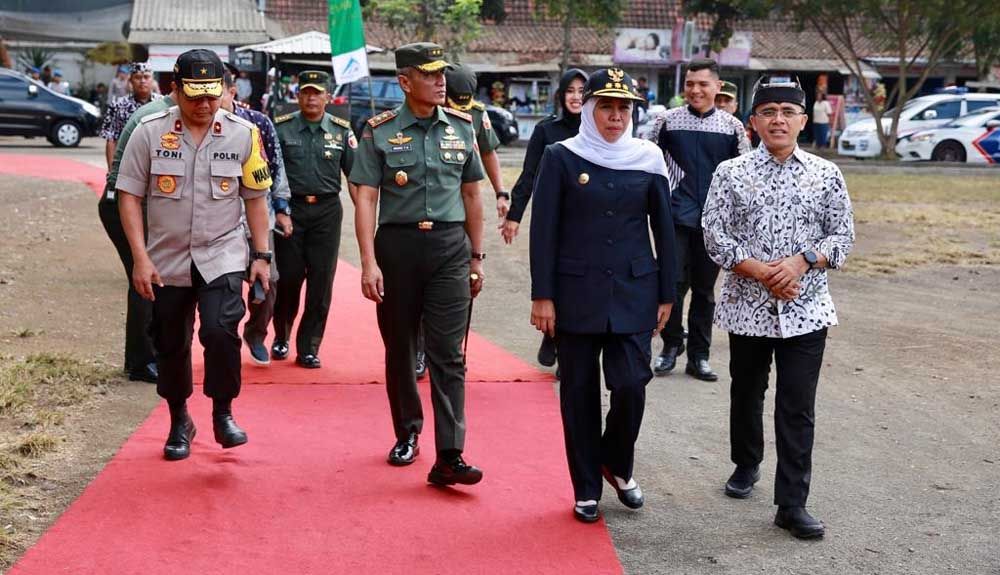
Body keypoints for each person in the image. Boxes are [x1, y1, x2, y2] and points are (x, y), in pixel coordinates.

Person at [702, 76, 855, 539]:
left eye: (788, 112)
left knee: (797, 406)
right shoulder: (732, 172)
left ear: (804, 121)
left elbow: (842, 236)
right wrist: (759, 271)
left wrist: (802, 262)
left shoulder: (826, 174)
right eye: (768, 111)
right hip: (748, 305)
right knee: (747, 391)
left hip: (806, 309)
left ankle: (792, 503)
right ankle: (746, 463)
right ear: (752, 121)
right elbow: (714, 232)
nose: (778, 120)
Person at [529, 68, 678, 523]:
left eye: (623, 108)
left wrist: (667, 294)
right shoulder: (562, 156)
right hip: (576, 293)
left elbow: (665, 232)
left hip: (635, 290)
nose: (615, 116)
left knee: (632, 383)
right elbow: (544, 231)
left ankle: (615, 461)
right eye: (606, 106)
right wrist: (543, 296)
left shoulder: (649, 157)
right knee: (578, 392)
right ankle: (587, 487)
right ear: (589, 108)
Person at [117, 49, 273, 461]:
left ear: (224, 90)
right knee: (170, 342)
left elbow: (257, 199)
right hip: (166, 258)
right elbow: (129, 196)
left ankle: (223, 412)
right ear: (175, 91)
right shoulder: (149, 132)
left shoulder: (243, 133)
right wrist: (139, 257)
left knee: (221, 332)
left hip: (222, 253)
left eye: (212, 95)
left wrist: (261, 255)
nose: (205, 105)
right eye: (194, 97)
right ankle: (179, 418)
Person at [350, 42, 486, 486]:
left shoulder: (463, 127)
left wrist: (477, 256)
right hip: (398, 248)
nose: (441, 80)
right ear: (405, 82)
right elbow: (366, 195)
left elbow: (471, 195)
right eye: (429, 74)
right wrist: (368, 262)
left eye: (442, 72)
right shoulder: (379, 130)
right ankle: (407, 432)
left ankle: (450, 453)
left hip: (449, 247)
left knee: (449, 353)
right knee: (402, 349)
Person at [644, 58, 750, 381]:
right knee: (671, 286)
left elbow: (745, 174)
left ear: (717, 87)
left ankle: (699, 355)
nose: (695, 90)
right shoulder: (665, 122)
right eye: (690, 83)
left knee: (704, 291)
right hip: (674, 217)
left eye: (703, 84)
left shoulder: (732, 128)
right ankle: (670, 347)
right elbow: (647, 164)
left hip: (715, 223)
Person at [402, 63, 508, 379]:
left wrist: (501, 191)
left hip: (464, 213)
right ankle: (420, 349)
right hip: (432, 212)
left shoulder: (475, 115)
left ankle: (452, 349)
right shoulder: (426, 109)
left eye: (465, 100)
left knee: (464, 285)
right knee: (424, 285)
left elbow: (488, 153)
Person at [270, 70, 356, 369]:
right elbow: (271, 175)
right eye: (306, 92)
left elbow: (355, 177)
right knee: (289, 278)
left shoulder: (341, 131)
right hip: (291, 211)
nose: (311, 98)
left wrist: (364, 215)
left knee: (321, 282)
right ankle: (281, 334)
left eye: (317, 92)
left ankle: (309, 346)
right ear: (298, 96)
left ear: (327, 97)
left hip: (327, 212)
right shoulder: (281, 130)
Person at [505, 68, 587, 371]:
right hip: (552, 217)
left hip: (585, 220)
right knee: (553, 280)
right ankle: (552, 334)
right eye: (570, 91)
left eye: (582, 91)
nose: (576, 97)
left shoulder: (597, 131)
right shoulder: (546, 130)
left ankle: (563, 346)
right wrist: (514, 216)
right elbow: (528, 174)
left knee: (576, 286)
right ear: (561, 95)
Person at [220, 63, 293, 366]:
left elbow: (276, 171)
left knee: (269, 280)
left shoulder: (258, 123)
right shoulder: (202, 126)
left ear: (232, 91)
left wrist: (282, 209)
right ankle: (225, 340)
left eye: (217, 92)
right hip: (221, 220)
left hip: (257, 216)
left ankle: (255, 333)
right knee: (226, 284)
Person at [97, 62, 163, 383]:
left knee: (147, 279)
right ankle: (140, 362)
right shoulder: (144, 114)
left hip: (137, 198)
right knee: (144, 278)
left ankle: (141, 357)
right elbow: (111, 141)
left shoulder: (162, 105)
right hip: (123, 199)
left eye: (146, 76)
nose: (142, 81)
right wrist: (113, 178)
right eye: (137, 77)